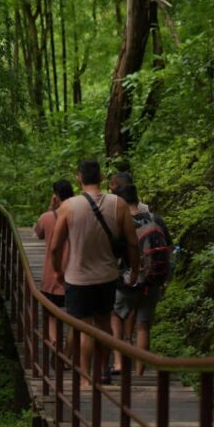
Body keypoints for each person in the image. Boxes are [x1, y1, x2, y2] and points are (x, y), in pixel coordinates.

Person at [49, 159, 139, 386]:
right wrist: (135, 270)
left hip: (77, 278)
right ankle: (103, 370)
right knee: (104, 324)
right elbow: (132, 242)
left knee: (85, 328)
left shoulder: (67, 207)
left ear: (79, 178)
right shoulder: (118, 204)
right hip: (108, 276)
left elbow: (55, 246)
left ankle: (86, 378)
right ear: (100, 177)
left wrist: (58, 270)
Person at [111, 183, 172, 376]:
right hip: (153, 280)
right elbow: (169, 249)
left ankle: (119, 363)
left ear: (120, 201)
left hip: (127, 281)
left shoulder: (121, 223)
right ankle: (139, 372)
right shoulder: (156, 219)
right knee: (143, 327)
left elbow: (115, 254)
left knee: (116, 317)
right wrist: (164, 279)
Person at [34, 179, 74, 350]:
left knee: (51, 316)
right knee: (76, 318)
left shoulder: (47, 217)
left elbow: (38, 233)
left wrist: (51, 208)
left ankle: (56, 349)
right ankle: (69, 353)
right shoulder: (79, 215)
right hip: (76, 276)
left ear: (56, 196)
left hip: (52, 277)